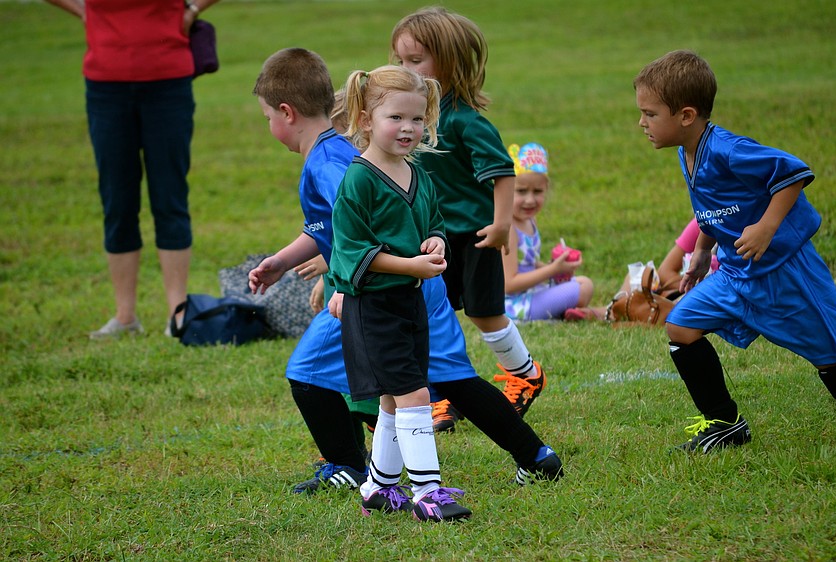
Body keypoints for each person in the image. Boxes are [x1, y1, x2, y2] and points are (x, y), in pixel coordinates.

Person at [248, 49, 562, 508]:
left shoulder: (332, 162)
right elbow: (331, 225)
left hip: (379, 290)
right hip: (420, 284)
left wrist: (337, 283)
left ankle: (353, 468)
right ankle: (535, 456)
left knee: (310, 374)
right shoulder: (342, 155)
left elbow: (355, 229)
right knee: (450, 378)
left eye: (265, 117)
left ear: (285, 113)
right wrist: (283, 259)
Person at [634, 49, 836, 453]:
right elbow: (712, 208)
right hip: (735, 273)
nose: (641, 123)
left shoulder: (728, 149)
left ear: (685, 115)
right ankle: (725, 424)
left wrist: (767, 227)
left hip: (785, 273)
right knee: (681, 325)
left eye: (650, 114)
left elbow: (792, 173)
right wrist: (701, 252)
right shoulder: (687, 150)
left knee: (834, 357)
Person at [326, 64, 474, 521]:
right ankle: (428, 493)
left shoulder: (418, 174)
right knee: (414, 395)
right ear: (367, 119)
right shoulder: (359, 179)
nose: (408, 128)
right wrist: (410, 264)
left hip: (408, 302)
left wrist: (435, 242)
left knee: (393, 398)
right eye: (396, 118)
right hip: (373, 308)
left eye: (416, 118)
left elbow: (433, 224)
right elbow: (353, 250)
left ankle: (377, 489)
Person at [391, 7, 547, 431]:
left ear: (449, 61)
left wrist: (501, 227)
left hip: (475, 237)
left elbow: (501, 174)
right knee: (424, 316)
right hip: (431, 240)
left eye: (416, 60)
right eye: (400, 60)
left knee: (484, 313)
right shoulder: (412, 119)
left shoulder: (464, 121)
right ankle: (438, 398)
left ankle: (525, 375)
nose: (406, 69)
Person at [45, 0, 221, 339]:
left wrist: (193, 8)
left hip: (168, 78)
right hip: (105, 82)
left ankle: (177, 314)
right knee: (117, 199)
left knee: (170, 195)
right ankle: (125, 317)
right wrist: (83, 9)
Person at [502, 142, 606, 322]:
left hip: (530, 293)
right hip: (514, 306)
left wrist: (559, 268)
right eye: (521, 191)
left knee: (583, 282)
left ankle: (568, 312)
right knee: (582, 288)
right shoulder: (508, 228)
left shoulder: (528, 221)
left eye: (537, 191)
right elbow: (509, 285)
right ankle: (568, 312)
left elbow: (528, 263)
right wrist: (552, 270)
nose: (530, 200)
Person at [616, 218, 720, 302]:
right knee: (638, 276)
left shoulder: (734, 229)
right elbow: (665, 271)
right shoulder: (703, 222)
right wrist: (691, 284)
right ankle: (615, 308)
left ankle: (616, 311)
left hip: (720, 298)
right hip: (691, 292)